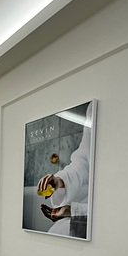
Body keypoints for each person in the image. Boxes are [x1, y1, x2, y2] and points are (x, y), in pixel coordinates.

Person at [36, 102, 92, 238]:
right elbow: (83, 162)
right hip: (88, 208)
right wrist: (60, 181)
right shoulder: (92, 109)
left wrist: (73, 210)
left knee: (60, 231)